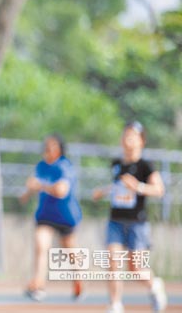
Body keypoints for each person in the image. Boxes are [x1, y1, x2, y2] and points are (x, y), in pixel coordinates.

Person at [92, 121, 168, 313]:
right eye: (125, 135)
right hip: (115, 220)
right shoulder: (117, 165)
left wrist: (139, 187)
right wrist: (102, 192)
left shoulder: (146, 166)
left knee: (136, 268)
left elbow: (159, 190)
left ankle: (154, 286)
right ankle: (115, 304)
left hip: (137, 224)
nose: (128, 139)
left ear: (142, 141)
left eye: (132, 136)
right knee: (114, 261)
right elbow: (118, 187)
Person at [19, 134, 83, 302]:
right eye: (46, 145)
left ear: (60, 149)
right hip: (45, 215)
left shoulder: (64, 166)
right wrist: (27, 193)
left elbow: (61, 191)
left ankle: (78, 281)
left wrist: (40, 185)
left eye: (52, 146)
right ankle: (38, 285)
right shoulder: (41, 166)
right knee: (41, 246)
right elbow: (34, 185)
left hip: (65, 216)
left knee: (71, 253)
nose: (48, 149)